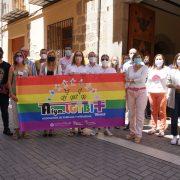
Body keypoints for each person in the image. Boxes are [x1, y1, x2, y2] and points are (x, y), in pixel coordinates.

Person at [8, 51, 32, 139]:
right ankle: (16, 132)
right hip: (15, 95)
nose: (19, 57)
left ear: (23, 57)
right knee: (15, 114)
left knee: (25, 113)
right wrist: (11, 94)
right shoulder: (12, 68)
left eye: (20, 55)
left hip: (25, 95)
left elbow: (31, 81)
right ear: (15, 57)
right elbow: (9, 82)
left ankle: (24, 132)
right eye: (17, 56)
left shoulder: (27, 68)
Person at [126, 54, 148, 143]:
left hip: (141, 92)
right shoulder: (129, 68)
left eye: (139, 57)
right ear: (133, 59)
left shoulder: (145, 67)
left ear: (141, 59)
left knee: (139, 114)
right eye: (135, 58)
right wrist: (129, 83)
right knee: (131, 113)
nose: (137, 59)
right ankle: (132, 132)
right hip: (130, 91)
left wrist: (132, 80)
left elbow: (142, 79)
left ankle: (139, 134)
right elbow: (126, 78)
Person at [40, 51, 62, 137]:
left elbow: (60, 77)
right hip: (45, 90)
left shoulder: (58, 66)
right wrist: (42, 76)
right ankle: (45, 128)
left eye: (53, 55)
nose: (51, 57)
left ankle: (51, 128)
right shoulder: (43, 65)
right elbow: (40, 75)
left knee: (53, 109)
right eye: (50, 55)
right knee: (45, 108)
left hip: (54, 90)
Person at [146, 54, 169, 137]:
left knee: (162, 111)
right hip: (152, 92)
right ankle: (153, 127)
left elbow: (168, 82)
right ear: (154, 60)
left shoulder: (166, 69)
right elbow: (148, 81)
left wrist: (168, 93)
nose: (158, 60)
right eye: (157, 59)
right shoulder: (151, 69)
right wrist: (147, 92)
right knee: (153, 111)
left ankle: (162, 129)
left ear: (163, 60)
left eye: (160, 59)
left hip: (162, 92)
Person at [65, 51, 86, 136]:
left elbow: (90, 79)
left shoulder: (85, 67)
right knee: (72, 109)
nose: (78, 57)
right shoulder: (69, 66)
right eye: (76, 55)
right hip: (72, 91)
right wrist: (69, 75)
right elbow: (63, 77)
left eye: (80, 55)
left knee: (81, 109)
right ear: (74, 57)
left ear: (82, 57)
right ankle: (72, 128)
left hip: (82, 91)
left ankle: (80, 128)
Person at [85, 52, 101, 136]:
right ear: (88, 57)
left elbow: (102, 78)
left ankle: (96, 127)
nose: (92, 57)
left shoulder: (99, 67)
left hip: (97, 91)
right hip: (88, 91)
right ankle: (89, 127)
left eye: (93, 56)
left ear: (96, 57)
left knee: (97, 108)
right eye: (90, 56)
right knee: (89, 109)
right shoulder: (85, 67)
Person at [100, 54, 116, 136]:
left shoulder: (112, 70)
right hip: (98, 93)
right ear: (100, 60)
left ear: (109, 60)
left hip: (109, 93)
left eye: (106, 59)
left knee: (107, 111)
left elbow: (115, 82)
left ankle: (106, 128)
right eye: (103, 59)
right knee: (98, 110)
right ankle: (96, 128)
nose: (104, 60)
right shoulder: (97, 69)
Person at [122, 48, 137, 131]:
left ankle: (134, 123)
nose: (132, 55)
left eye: (134, 53)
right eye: (130, 53)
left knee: (135, 107)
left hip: (137, 88)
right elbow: (123, 76)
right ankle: (128, 123)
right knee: (128, 107)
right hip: (128, 88)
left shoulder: (140, 64)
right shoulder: (126, 65)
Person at [167, 53, 180, 145]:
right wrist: (174, 86)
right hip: (175, 95)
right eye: (178, 59)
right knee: (174, 117)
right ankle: (175, 136)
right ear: (176, 60)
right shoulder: (172, 71)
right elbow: (167, 83)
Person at [0, 47, 13, 136]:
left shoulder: (7, 65)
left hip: (4, 93)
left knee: (4, 111)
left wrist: (8, 88)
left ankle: (6, 128)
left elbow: (10, 79)